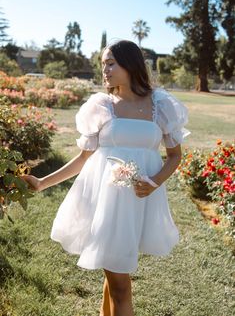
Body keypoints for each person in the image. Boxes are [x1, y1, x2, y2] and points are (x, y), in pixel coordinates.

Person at [22, 40, 190, 316]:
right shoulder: (101, 106)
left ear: (131, 64)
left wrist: (154, 181)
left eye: (111, 63)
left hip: (139, 202)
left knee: (115, 274)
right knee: (121, 285)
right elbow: (84, 158)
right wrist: (42, 183)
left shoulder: (160, 107)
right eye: (103, 64)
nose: (105, 70)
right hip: (105, 203)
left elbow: (174, 156)